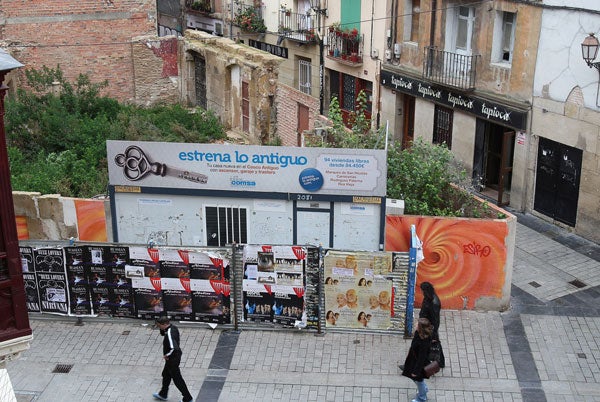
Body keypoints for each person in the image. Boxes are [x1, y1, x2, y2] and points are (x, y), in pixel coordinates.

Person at [153, 316, 194, 402]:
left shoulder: (169, 334)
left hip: (173, 360)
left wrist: (166, 355)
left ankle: (188, 398)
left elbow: (174, 348)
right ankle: (163, 394)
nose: (159, 327)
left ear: (164, 324)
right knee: (165, 374)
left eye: (159, 326)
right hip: (172, 359)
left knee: (177, 379)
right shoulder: (173, 327)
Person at [401, 318, 434, 402]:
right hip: (413, 359)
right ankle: (423, 389)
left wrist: (416, 371)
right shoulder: (418, 333)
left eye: (417, 324)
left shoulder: (424, 342)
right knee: (415, 378)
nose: (415, 325)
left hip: (418, 364)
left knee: (418, 380)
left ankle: (422, 398)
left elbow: (421, 359)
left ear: (421, 328)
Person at [419, 281, 445, 368]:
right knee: (432, 345)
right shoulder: (428, 298)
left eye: (422, 290)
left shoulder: (434, 302)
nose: (421, 292)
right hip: (425, 325)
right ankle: (440, 362)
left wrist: (434, 334)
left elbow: (435, 320)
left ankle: (413, 364)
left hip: (428, 327)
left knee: (420, 345)